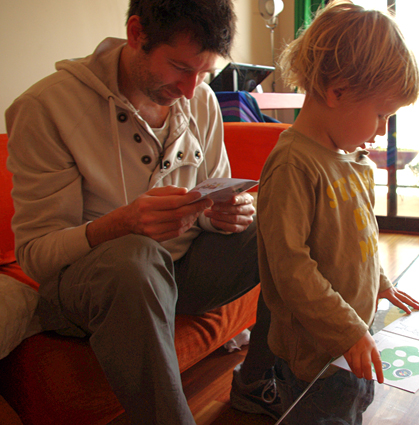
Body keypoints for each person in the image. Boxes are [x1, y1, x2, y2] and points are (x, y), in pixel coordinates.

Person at [5, 0, 279, 423]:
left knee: (274, 223)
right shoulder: (46, 109)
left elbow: (212, 194)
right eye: (180, 68)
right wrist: (121, 224)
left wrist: (222, 215)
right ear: (136, 34)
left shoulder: (200, 100)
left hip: (178, 275)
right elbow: (38, 256)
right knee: (136, 256)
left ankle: (261, 378)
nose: (191, 88)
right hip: (94, 287)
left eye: (204, 73)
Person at [256, 1, 419, 424]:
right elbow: (291, 268)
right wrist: (349, 330)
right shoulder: (294, 164)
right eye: (381, 114)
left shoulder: (352, 160)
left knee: (354, 410)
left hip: (351, 343)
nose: (382, 130)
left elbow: (357, 238)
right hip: (315, 361)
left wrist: (380, 281)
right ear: (338, 92)